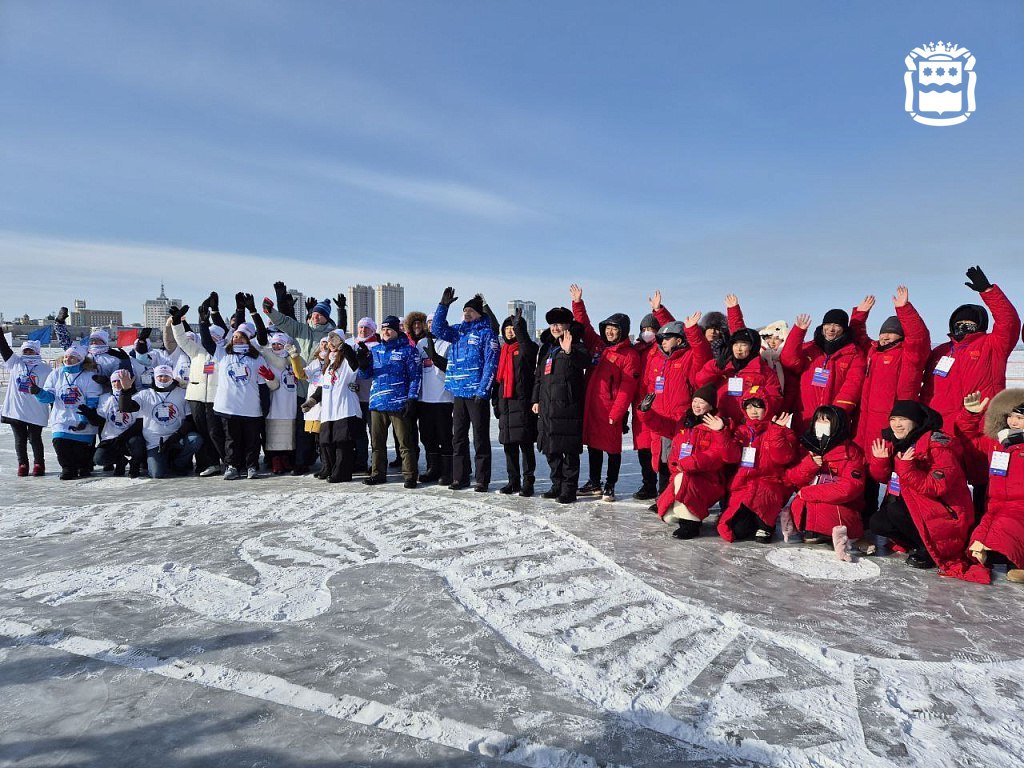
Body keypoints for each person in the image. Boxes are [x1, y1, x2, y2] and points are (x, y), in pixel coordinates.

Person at [921, 266, 1020, 517]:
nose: (963, 327)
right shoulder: (941, 351)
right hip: (946, 427)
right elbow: (928, 390)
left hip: (982, 426)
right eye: (959, 323)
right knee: (947, 481)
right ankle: (952, 526)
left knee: (984, 482)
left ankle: (984, 532)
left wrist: (988, 291)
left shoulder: (993, 344)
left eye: (969, 323)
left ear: (980, 325)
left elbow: (1009, 321)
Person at [868, 400, 984, 581]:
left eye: (903, 419)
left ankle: (930, 550)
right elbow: (883, 478)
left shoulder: (939, 447)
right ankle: (919, 544)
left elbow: (936, 486)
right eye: (893, 419)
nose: (896, 424)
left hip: (945, 511)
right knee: (878, 523)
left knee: (895, 511)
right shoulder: (897, 442)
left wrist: (907, 469)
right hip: (917, 505)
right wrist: (880, 462)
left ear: (916, 421)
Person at [849, 287, 932, 525]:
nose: (885, 337)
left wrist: (904, 309)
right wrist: (860, 315)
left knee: (893, 471)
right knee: (868, 470)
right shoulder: (873, 352)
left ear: (901, 336)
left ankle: (896, 520)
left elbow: (919, 336)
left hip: (894, 424)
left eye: (891, 334)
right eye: (883, 333)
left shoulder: (909, 354)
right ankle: (865, 518)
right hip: (865, 424)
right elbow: (858, 337)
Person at [569, 284, 641, 502]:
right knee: (593, 446)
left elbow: (628, 388)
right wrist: (578, 303)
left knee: (612, 449)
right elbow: (584, 326)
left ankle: (610, 485)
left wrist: (617, 413)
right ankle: (594, 483)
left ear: (623, 331)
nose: (610, 331)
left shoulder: (629, 355)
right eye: (608, 327)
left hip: (610, 409)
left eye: (615, 328)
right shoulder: (598, 346)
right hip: (592, 405)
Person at [637, 310, 712, 505]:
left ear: (679, 340)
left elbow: (702, 352)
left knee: (677, 461)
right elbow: (650, 385)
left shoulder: (688, 358)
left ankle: (677, 498)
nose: (662, 342)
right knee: (661, 460)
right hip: (659, 420)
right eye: (661, 338)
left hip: (679, 420)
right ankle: (663, 497)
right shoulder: (657, 360)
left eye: (667, 338)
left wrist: (693, 330)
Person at [263, 286, 338, 475]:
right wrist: (270, 311)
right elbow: (284, 321)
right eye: (314, 313)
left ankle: (328, 462)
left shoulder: (331, 335)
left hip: (322, 390)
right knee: (302, 429)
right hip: (301, 388)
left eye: (320, 315)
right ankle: (301, 462)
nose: (316, 317)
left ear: (326, 317)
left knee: (324, 428)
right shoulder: (300, 329)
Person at [431, 288, 499, 492]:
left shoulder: (487, 333)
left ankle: (482, 479)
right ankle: (460, 477)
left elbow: (491, 364)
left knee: (480, 437)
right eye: (464, 310)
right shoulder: (458, 331)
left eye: (470, 310)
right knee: (458, 437)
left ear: (479, 313)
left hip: (477, 393)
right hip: (458, 392)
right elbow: (437, 329)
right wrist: (443, 306)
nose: (466, 313)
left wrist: (483, 390)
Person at [656, 385, 739, 539]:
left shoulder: (718, 424)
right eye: (695, 401)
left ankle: (690, 525)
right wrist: (645, 412)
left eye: (701, 402)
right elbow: (661, 425)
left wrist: (720, 431)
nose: (696, 405)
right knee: (668, 515)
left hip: (707, 479)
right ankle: (687, 516)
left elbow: (727, 455)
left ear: (711, 406)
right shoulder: (685, 421)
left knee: (685, 480)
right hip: (681, 473)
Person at [959, 390, 1024, 584]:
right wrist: (971, 415)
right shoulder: (997, 442)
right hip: (994, 503)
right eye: (1010, 416)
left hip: (1020, 505)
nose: (1013, 421)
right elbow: (968, 438)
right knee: (978, 542)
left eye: (1019, 417)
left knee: (1003, 530)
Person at [717, 400, 798, 543]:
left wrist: (776, 432)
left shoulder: (784, 431)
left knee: (764, 506)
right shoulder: (741, 431)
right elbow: (730, 457)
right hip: (744, 485)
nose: (753, 411)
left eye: (757, 407)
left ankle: (766, 525)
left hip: (770, 484)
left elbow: (782, 458)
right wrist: (721, 432)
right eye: (748, 407)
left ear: (767, 408)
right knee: (738, 532)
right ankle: (754, 520)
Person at [532, 307, 590, 504]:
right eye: (552, 324)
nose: (555, 327)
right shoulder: (546, 347)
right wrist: (536, 400)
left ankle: (569, 490)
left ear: (568, 324)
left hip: (568, 406)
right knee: (551, 449)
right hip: (547, 406)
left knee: (569, 451)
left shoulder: (576, 343)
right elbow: (539, 376)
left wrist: (569, 351)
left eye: (559, 323)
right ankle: (556, 485)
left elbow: (585, 362)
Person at [784, 405, 865, 544]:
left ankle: (825, 532)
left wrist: (809, 492)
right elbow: (792, 478)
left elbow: (850, 488)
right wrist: (810, 464)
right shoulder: (807, 445)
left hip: (841, 506)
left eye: (826, 421)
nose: (821, 425)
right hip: (807, 500)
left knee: (823, 508)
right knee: (803, 505)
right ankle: (812, 530)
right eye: (818, 420)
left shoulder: (852, 452)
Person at [358, 315, 421, 487]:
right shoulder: (376, 350)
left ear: (396, 331)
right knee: (377, 442)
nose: (385, 332)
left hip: (399, 402)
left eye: (389, 329)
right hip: (377, 402)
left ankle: (409, 475)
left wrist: (412, 399)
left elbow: (415, 377)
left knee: (404, 442)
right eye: (383, 329)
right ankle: (378, 473)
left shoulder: (408, 351)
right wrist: (362, 364)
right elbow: (366, 375)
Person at [781, 308, 866, 432]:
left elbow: (853, 386)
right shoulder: (810, 348)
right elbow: (789, 361)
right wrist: (798, 332)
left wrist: (834, 415)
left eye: (836, 325)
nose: (831, 329)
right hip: (805, 417)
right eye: (828, 324)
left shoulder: (854, 354)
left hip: (833, 419)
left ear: (844, 329)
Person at [212, 322, 280, 479]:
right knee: (231, 440)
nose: (237, 340)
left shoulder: (257, 359)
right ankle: (232, 466)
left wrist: (265, 406)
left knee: (252, 440)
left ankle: (252, 466)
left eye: (241, 337)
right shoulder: (223, 354)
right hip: (228, 407)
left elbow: (263, 386)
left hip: (251, 407)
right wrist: (204, 321)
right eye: (235, 337)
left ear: (249, 340)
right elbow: (208, 343)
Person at [170, 301, 227, 476]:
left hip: (214, 398)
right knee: (201, 432)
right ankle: (208, 463)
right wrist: (176, 322)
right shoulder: (196, 351)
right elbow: (180, 339)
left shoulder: (224, 354)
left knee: (215, 432)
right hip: (195, 397)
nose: (211, 340)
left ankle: (228, 461)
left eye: (215, 338)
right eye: (209, 337)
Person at [32, 342, 104, 480]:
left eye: (72, 357)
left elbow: (92, 400)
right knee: (60, 443)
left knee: (81, 456)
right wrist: (39, 392)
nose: (67, 359)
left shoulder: (89, 376)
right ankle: (67, 468)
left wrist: (84, 420)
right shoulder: (56, 374)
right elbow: (49, 397)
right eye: (66, 357)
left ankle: (84, 465)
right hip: (62, 419)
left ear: (80, 359)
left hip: (82, 420)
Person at [117, 366, 203, 479]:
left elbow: (189, 420)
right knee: (157, 474)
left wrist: (175, 437)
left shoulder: (182, 393)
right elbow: (126, 408)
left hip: (176, 438)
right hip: (154, 442)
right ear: (155, 377)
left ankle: (178, 464)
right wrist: (126, 391)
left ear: (171, 377)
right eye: (160, 376)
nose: (163, 378)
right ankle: (156, 461)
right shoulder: (145, 394)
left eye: (166, 376)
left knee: (195, 439)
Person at [630, 291, 676, 500]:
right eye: (644, 329)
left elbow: (675, 330)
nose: (648, 332)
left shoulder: (662, 350)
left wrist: (659, 310)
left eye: (652, 329)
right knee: (643, 449)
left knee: (661, 449)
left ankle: (662, 490)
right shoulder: (636, 349)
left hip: (659, 406)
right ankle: (647, 484)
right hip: (640, 406)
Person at [493, 308, 539, 496]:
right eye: (507, 328)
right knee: (509, 447)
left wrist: (520, 328)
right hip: (506, 404)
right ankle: (513, 482)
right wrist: (496, 403)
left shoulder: (527, 349)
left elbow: (527, 347)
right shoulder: (503, 351)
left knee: (525, 446)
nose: (510, 331)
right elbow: (499, 381)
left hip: (522, 404)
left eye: (513, 328)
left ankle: (528, 482)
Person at [315, 331, 363, 483]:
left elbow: (355, 364)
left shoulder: (347, 360)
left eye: (335, 341)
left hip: (345, 407)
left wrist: (343, 346)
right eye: (330, 342)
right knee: (326, 441)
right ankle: (330, 468)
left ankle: (342, 472)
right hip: (329, 410)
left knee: (343, 442)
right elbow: (323, 386)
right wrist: (312, 400)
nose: (332, 344)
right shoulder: (328, 363)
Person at [413, 314, 455, 486]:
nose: (431, 325)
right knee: (427, 436)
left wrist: (436, 358)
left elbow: (451, 368)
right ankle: (433, 468)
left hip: (442, 398)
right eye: (429, 323)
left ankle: (448, 471)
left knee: (444, 436)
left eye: (434, 322)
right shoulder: (420, 343)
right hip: (424, 398)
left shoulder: (449, 343)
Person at [0, 336, 51, 476]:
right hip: (16, 410)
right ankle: (22, 464)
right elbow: (3, 347)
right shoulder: (15, 363)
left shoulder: (46, 369)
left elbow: (52, 390)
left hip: (36, 410)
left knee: (35, 439)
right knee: (20, 440)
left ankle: (39, 463)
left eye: (31, 351)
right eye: (26, 351)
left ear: (37, 352)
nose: (28, 354)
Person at [92, 370, 145, 478]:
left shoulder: (137, 397)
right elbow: (101, 420)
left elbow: (139, 422)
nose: (117, 384)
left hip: (130, 436)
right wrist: (90, 416)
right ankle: (120, 460)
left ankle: (135, 464)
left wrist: (123, 436)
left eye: (120, 381)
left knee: (137, 443)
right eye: (114, 381)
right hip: (111, 437)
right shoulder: (105, 398)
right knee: (99, 459)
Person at [347, 317, 380, 474]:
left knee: (375, 434)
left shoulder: (377, 347)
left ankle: (376, 464)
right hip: (355, 397)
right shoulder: (351, 345)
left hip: (371, 397)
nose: (363, 330)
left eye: (366, 328)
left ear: (373, 330)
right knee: (358, 433)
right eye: (360, 327)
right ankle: (360, 461)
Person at [264, 331, 298, 474]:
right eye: (274, 344)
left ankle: (285, 458)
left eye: (280, 344)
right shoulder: (268, 360)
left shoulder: (292, 360)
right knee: (275, 434)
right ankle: (275, 459)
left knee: (288, 434)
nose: (277, 346)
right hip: (275, 402)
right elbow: (270, 384)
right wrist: (270, 378)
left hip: (290, 402)